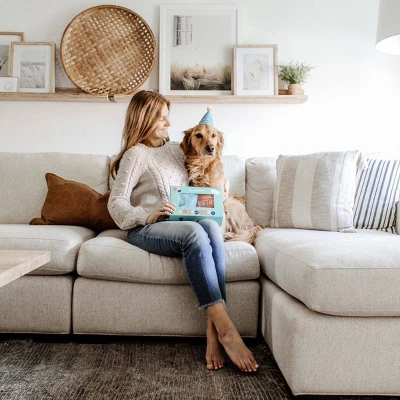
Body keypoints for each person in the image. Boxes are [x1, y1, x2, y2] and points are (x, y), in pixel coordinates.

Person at [108, 90, 259, 373]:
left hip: (182, 222)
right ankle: (226, 330)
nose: (168, 123)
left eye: (168, 117)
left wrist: (222, 188)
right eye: (161, 118)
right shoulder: (135, 155)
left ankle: (212, 334)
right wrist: (147, 214)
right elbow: (115, 203)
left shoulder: (177, 150)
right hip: (148, 228)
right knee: (194, 232)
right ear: (144, 119)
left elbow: (208, 168)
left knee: (210, 227)